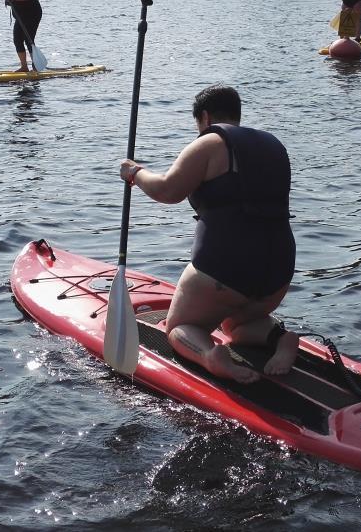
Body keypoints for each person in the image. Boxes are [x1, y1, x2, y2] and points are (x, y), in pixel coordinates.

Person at [119, 85, 299, 384]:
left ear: (204, 117)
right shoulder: (274, 145)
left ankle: (209, 355)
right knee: (237, 325)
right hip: (278, 271)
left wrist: (135, 173)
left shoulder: (210, 142)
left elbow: (167, 190)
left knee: (179, 327)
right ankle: (278, 338)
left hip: (224, 268)